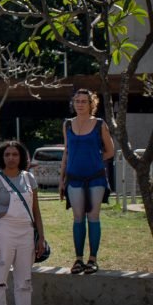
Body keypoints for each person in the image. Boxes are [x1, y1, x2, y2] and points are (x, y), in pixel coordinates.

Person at [0, 141, 45, 305]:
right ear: (1, 158)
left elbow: (36, 210)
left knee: (24, 279)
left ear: (21, 157)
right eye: (7, 154)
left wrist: (40, 238)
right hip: (3, 231)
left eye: (15, 154)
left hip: (26, 233)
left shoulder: (29, 179)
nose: (11, 158)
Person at [60, 89, 116, 275]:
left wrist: (95, 161)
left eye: (84, 101)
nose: (80, 104)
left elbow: (110, 151)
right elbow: (66, 153)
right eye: (77, 101)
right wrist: (62, 180)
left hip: (96, 178)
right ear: (73, 103)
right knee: (77, 218)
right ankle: (78, 259)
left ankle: (93, 259)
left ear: (91, 104)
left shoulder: (100, 124)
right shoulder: (67, 124)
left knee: (93, 217)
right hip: (74, 178)